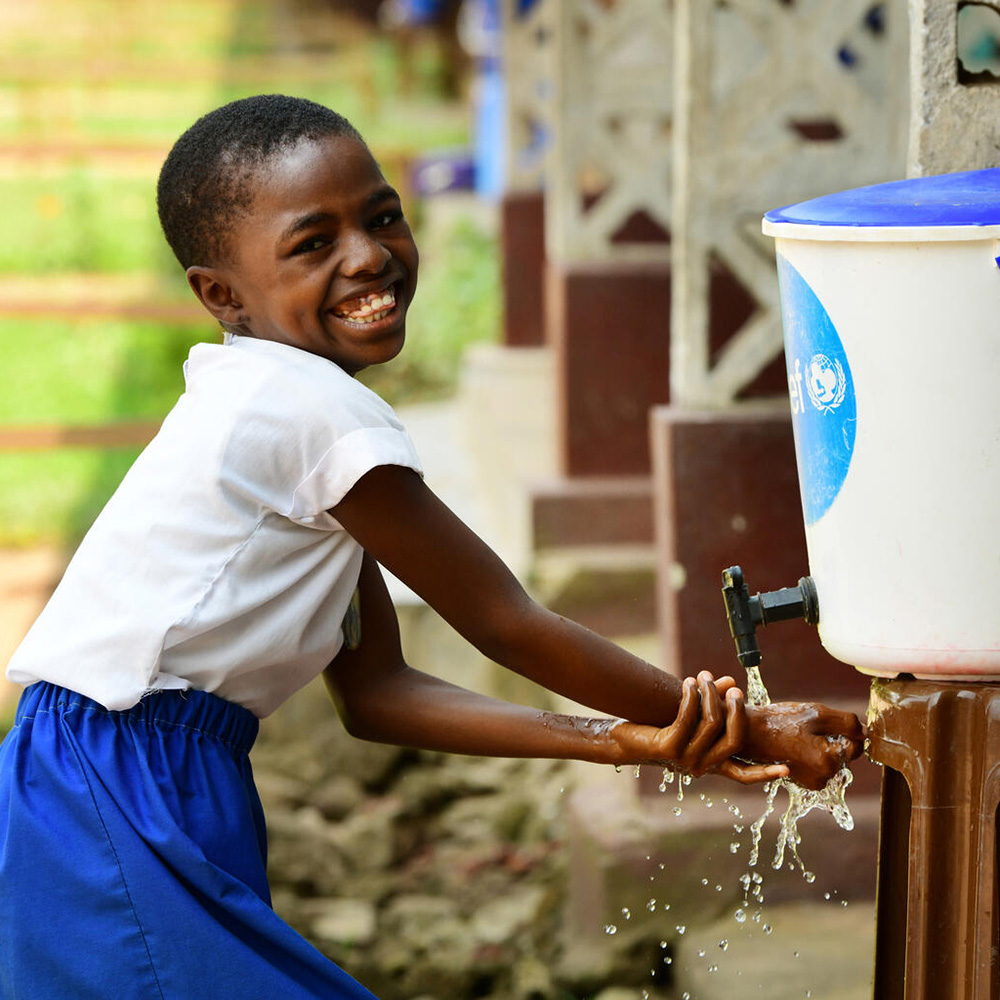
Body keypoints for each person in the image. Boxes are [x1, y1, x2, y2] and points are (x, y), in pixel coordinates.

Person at [0, 95, 864, 999]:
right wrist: (742, 728)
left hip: (107, 776)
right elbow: (505, 623)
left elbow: (379, 693)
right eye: (313, 243)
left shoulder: (270, 401)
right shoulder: (311, 411)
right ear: (221, 294)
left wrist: (629, 742)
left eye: (382, 217)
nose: (368, 256)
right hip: (119, 783)